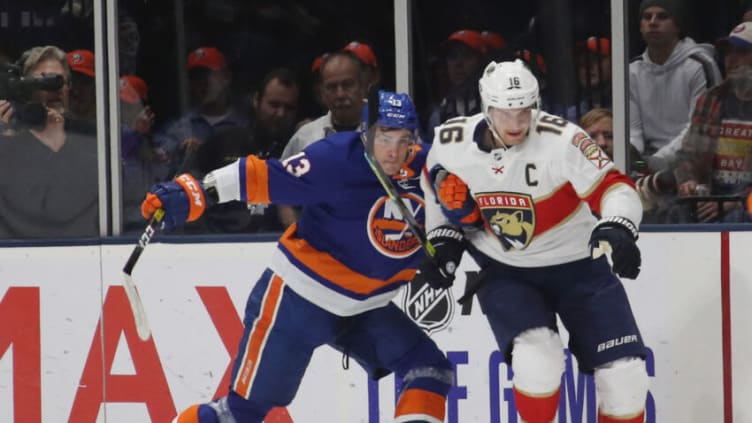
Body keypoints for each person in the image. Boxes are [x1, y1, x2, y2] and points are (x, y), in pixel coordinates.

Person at [141, 91, 453, 423]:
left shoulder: (426, 168)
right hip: (299, 301)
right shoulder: (334, 159)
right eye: (385, 136)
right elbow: (264, 176)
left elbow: (474, 187)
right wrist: (197, 193)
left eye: (403, 139)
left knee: (429, 369)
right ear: (367, 132)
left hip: (365, 308)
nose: (394, 150)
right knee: (240, 413)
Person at [420, 60, 649, 423]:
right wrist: (444, 237)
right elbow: (434, 189)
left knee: (626, 379)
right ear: (486, 105)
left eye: (524, 111)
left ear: (536, 104)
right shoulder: (451, 142)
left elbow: (615, 186)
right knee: (536, 359)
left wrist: (619, 224)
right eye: (505, 112)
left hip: (580, 266)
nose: (515, 123)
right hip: (506, 270)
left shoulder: (564, 139)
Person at [0, 45, 98, 238]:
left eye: (61, 81)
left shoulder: (90, 135)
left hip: (82, 252)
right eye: (45, 82)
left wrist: (59, 143)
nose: (56, 89)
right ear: (26, 89)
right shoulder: (8, 135)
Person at [188, 67, 301, 233]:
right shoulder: (223, 143)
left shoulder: (301, 153)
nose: (280, 113)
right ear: (257, 100)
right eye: (274, 105)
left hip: (281, 245)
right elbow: (191, 194)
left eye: (288, 107)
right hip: (220, 245)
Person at [670, 21, 752, 223]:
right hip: (711, 196)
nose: (731, 60)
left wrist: (737, 202)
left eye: (741, 52)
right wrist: (689, 180)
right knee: (674, 213)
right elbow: (689, 154)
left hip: (747, 204)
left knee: (737, 217)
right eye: (728, 53)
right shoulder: (711, 99)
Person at [278, 52, 369, 227]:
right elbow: (282, 190)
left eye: (347, 85)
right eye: (331, 87)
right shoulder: (305, 137)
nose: (340, 94)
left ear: (363, 85)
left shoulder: (390, 133)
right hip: (319, 244)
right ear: (322, 93)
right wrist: (297, 233)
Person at [629, 0, 722, 162]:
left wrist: (657, 161)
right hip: (648, 161)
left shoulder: (700, 65)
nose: (652, 22)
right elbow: (633, 131)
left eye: (662, 16)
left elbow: (699, 129)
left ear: (678, 26)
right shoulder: (632, 70)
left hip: (693, 161)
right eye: (647, 17)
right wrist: (632, 158)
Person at [157, 46, 247, 178]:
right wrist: (180, 153)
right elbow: (161, 170)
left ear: (226, 76)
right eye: (196, 77)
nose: (202, 83)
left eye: (209, 75)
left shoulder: (244, 125)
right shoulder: (176, 129)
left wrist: (207, 152)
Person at [119, 74, 170, 232]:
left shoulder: (162, 143)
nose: (121, 112)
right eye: (119, 105)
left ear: (145, 110)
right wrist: (134, 133)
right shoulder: (109, 141)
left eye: (128, 106)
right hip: (120, 227)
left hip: (156, 226)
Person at [425, 29, 486, 143]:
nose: (458, 64)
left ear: (480, 62)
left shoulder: (494, 107)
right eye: (453, 57)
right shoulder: (440, 114)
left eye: (467, 56)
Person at [65, 49, 97, 135]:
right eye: (72, 82)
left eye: (85, 82)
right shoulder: (48, 129)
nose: (76, 91)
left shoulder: (113, 131)